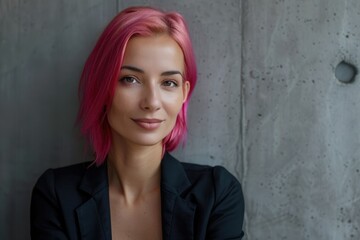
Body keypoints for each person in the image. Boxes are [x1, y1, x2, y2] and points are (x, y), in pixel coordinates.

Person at [31, 6, 245, 240]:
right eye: (130, 79)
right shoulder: (56, 194)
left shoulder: (217, 194)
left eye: (169, 83)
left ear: (184, 93)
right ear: (103, 87)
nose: (152, 102)